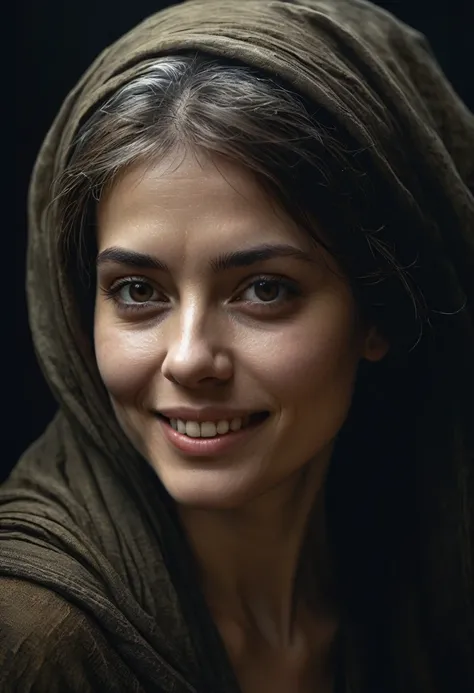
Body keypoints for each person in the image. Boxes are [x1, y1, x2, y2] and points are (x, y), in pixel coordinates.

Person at [2, 0, 473, 691]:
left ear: (380, 311)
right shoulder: (34, 642)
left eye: (264, 289)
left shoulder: (421, 579)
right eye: (137, 291)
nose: (190, 358)